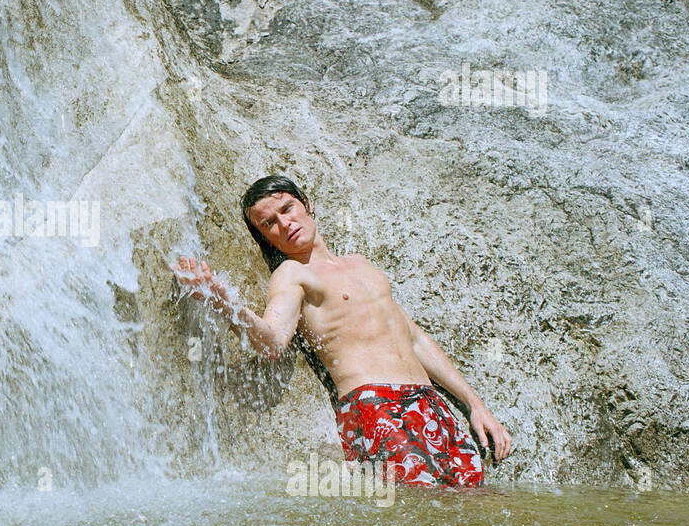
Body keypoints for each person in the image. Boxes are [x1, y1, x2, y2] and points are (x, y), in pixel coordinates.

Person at [173, 174, 513, 488]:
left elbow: (415, 339)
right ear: (266, 239)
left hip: (429, 403)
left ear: (306, 203)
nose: (284, 223)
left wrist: (475, 406)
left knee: (474, 501)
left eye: (287, 209)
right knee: (423, 510)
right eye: (269, 224)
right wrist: (226, 303)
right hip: (374, 405)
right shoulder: (292, 274)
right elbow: (272, 341)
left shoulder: (363, 264)